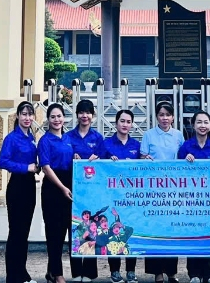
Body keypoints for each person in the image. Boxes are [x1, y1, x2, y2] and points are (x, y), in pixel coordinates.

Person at [139, 102, 184, 283]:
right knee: (154, 230)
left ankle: (171, 272)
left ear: (173, 117)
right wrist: (146, 159)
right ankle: (157, 272)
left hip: (173, 190)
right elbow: (142, 157)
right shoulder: (148, 135)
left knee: (172, 230)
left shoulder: (178, 135)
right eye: (161, 114)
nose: (165, 118)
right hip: (153, 190)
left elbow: (183, 157)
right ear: (156, 117)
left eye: (168, 114)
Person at [178, 110, 210, 283]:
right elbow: (176, 170)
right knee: (193, 234)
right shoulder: (186, 146)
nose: (202, 126)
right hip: (190, 197)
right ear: (193, 125)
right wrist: (184, 160)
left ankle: (209, 273)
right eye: (199, 122)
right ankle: (194, 274)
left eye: (206, 122)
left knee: (209, 234)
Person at [0, 100, 40, 283]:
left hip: (30, 186)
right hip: (17, 186)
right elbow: (2, 161)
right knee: (16, 232)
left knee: (24, 233)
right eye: (24, 114)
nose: (27, 117)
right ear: (17, 116)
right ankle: (13, 276)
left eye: (30, 114)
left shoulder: (31, 136)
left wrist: (36, 167)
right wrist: (26, 167)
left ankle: (22, 273)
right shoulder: (12, 138)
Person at [68, 99, 107, 282]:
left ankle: (90, 272)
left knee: (92, 229)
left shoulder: (98, 138)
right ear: (77, 115)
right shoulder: (68, 137)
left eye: (88, 112)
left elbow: (104, 163)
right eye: (81, 112)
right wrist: (73, 158)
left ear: (93, 115)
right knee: (76, 229)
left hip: (92, 191)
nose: (85, 116)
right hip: (74, 190)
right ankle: (76, 272)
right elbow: (64, 158)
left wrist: (97, 160)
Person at [101, 109, 142, 283]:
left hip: (132, 197)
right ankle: (115, 271)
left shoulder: (136, 145)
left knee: (130, 232)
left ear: (132, 124)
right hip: (112, 197)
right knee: (114, 232)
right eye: (122, 121)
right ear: (116, 123)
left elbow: (141, 169)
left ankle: (131, 271)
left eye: (128, 122)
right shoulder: (106, 144)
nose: (125, 124)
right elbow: (99, 168)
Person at [39, 103, 76, 283]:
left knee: (67, 231)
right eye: (53, 117)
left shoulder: (68, 138)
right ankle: (58, 274)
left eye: (59, 116)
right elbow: (45, 167)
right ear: (48, 119)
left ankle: (51, 271)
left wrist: (76, 158)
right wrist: (62, 188)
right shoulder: (44, 140)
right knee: (54, 233)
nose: (56, 120)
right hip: (53, 189)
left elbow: (71, 158)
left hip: (69, 186)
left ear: (64, 118)